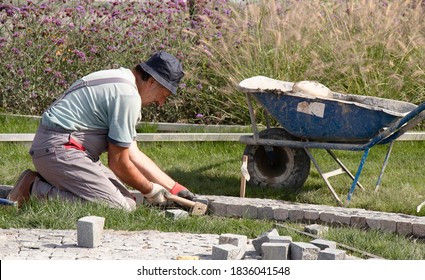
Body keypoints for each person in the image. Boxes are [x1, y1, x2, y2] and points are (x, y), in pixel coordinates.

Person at [7, 51, 195, 211]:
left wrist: (175, 188)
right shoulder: (127, 96)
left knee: (129, 203)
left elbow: (133, 153)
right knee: (117, 209)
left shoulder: (122, 81)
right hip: (60, 149)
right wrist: (150, 190)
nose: (161, 103)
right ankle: (33, 189)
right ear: (152, 82)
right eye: (164, 95)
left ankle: (44, 181)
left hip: (60, 149)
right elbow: (119, 163)